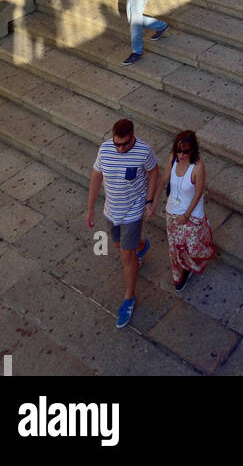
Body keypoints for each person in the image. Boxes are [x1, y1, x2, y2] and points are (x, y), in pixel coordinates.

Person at [85, 117, 159, 329]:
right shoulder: (105, 150)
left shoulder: (144, 151)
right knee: (118, 246)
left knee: (126, 256)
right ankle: (142, 246)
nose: (120, 148)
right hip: (111, 211)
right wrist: (90, 208)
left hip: (132, 212)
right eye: (117, 143)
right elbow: (96, 177)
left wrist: (150, 199)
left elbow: (154, 171)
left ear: (132, 137)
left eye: (125, 144)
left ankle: (128, 298)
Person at [161, 130, 215, 291]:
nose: (181, 155)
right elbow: (163, 180)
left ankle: (204, 237)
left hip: (191, 213)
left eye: (185, 151)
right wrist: (151, 201)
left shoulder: (198, 166)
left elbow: (198, 193)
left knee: (192, 247)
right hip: (172, 211)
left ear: (192, 150)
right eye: (178, 151)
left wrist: (186, 215)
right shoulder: (173, 159)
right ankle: (179, 274)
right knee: (174, 247)